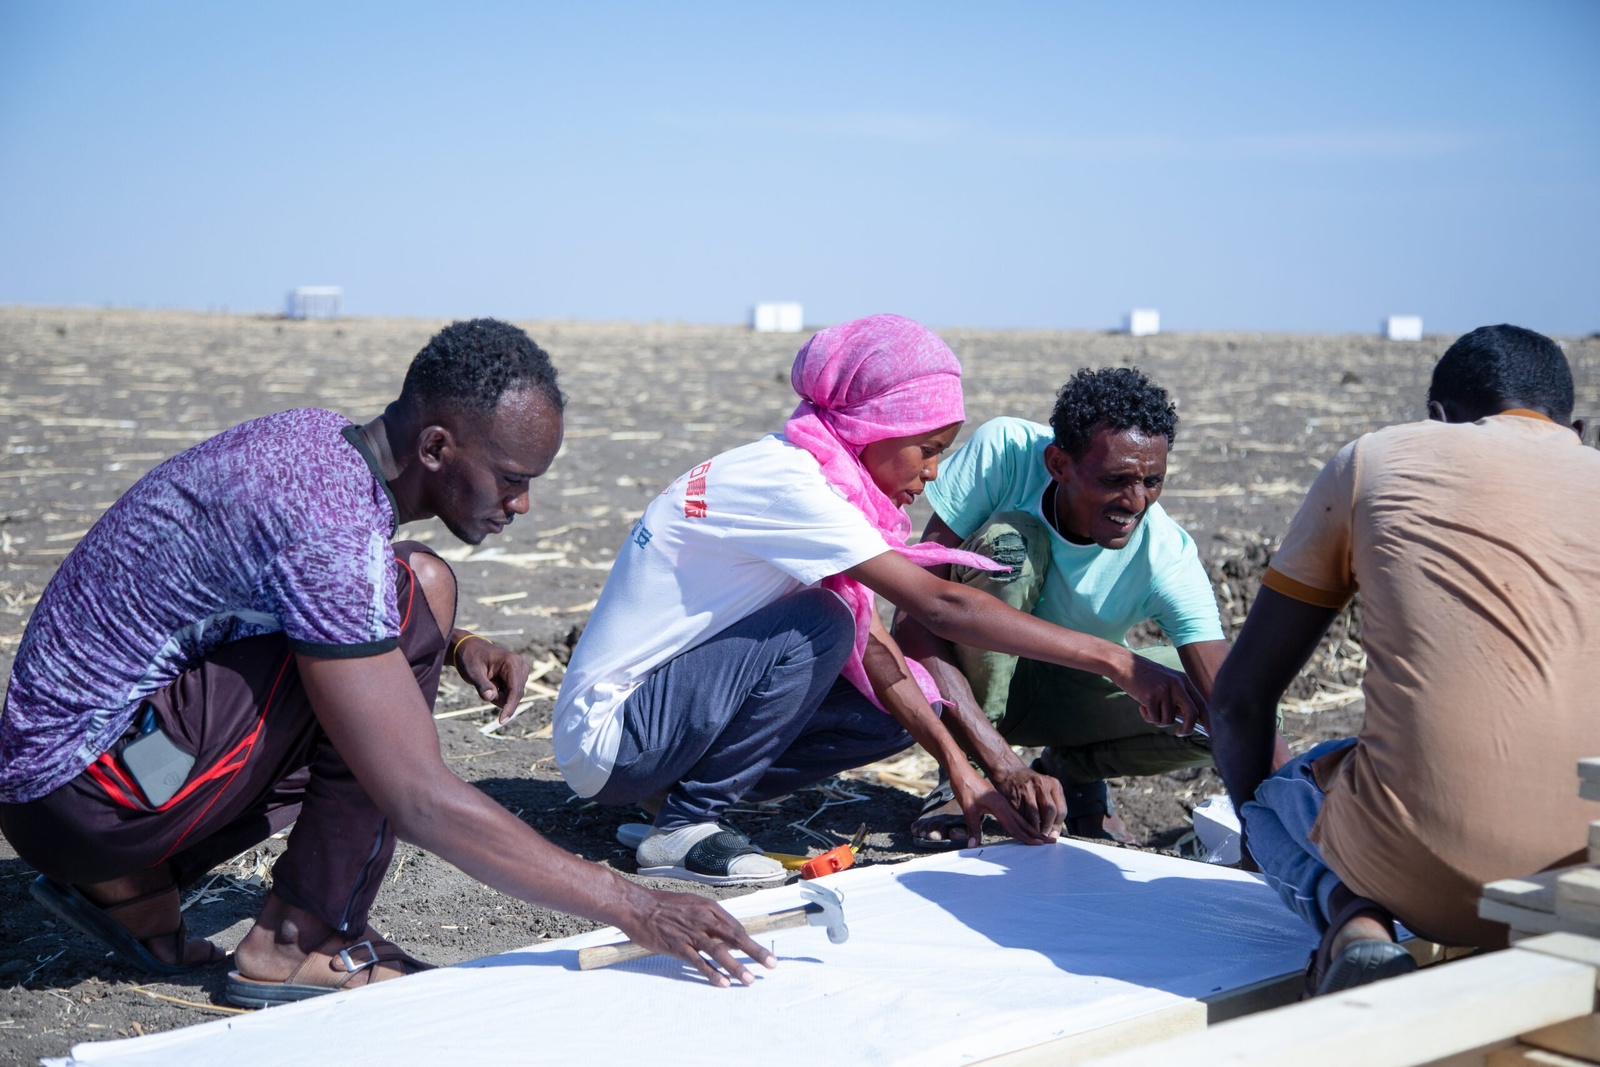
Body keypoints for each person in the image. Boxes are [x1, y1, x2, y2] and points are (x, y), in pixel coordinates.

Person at [0, 318, 774, 1005]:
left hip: (67, 787)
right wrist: (635, 905)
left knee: (420, 588)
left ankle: (129, 887)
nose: (522, 505)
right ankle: (302, 940)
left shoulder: (319, 446)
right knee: (412, 614)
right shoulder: (331, 523)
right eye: (512, 478)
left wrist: (458, 643)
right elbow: (417, 799)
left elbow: (293, 590)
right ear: (436, 446)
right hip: (90, 795)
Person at [554, 314, 1208, 886]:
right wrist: (1117, 661)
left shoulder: (816, 480)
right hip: (614, 739)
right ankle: (687, 825)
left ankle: (671, 803)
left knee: (898, 697)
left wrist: (963, 769)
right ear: (874, 426)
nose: (931, 474)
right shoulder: (788, 483)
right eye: (927, 450)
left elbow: (877, 644)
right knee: (822, 622)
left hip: (650, 738)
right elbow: (940, 606)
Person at [1208, 324, 1600, 996]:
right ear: (1578, 425)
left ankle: (1353, 923)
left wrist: (1263, 845)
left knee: (1276, 798)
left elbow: (1239, 700)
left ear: (1438, 420)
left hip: (1427, 881)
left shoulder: (1375, 460)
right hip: (1580, 877)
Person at [894, 367, 1287, 845]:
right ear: (1058, 463)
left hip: (1062, 695)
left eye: (1153, 482)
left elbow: (1236, 706)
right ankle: (964, 774)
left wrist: (1297, 819)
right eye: (1115, 479)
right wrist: (997, 765)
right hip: (962, 683)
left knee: (1233, 709)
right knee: (1011, 544)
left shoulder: (1166, 556)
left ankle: (1072, 772)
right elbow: (913, 616)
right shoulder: (1007, 455)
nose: (1136, 502)